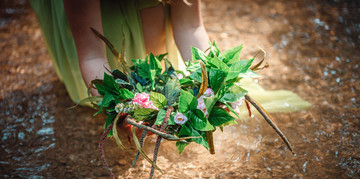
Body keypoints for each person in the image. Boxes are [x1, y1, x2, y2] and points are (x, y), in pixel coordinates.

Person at [30, 0, 311, 113]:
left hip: (149, 22)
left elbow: (191, 26)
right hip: (94, 27)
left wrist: (210, 81)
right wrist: (121, 107)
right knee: (98, 99)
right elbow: (92, 54)